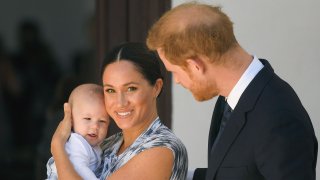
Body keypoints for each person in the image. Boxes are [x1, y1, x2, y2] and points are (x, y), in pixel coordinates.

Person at [147, 2, 317, 180]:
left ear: (195, 66)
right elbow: (238, 173)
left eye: (174, 71)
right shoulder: (232, 97)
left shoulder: (279, 119)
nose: (177, 81)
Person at [50, 42, 188, 180]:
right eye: (110, 90)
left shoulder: (161, 149)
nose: (120, 102)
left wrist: (57, 146)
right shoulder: (107, 144)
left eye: (131, 88)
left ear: (156, 87)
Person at [47, 83, 110, 180]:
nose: (95, 126)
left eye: (102, 121)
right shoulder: (77, 143)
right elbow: (79, 169)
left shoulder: (93, 145)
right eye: (88, 119)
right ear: (71, 120)